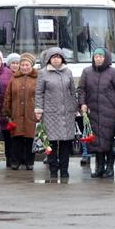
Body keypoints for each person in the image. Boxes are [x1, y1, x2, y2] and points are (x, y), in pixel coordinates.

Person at [79, 47, 115, 178]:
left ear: (105, 58)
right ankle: (99, 167)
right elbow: (81, 90)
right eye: (96, 56)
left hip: (111, 112)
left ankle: (110, 167)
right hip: (93, 112)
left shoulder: (113, 72)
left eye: (100, 56)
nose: (98, 58)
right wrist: (82, 103)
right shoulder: (87, 72)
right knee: (96, 142)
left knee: (110, 141)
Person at [35, 47, 79, 179]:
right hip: (50, 113)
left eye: (58, 57)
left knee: (66, 143)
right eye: (53, 57)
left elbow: (73, 92)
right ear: (49, 59)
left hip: (66, 113)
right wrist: (38, 110)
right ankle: (53, 169)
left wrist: (75, 108)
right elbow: (39, 93)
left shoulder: (68, 72)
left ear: (62, 59)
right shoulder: (43, 73)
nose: (56, 59)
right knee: (51, 143)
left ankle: (64, 169)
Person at [3, 53, 38, 170]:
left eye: (27, 65)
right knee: (16, 138)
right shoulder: (14, 78)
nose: (24, 67)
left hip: (32, 113)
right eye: (22, 65)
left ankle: (29, 162)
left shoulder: (37, 78)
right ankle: (15, 161)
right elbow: (8, 95)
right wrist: (7, 111)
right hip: (16, 113)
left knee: (30, 138)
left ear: (31, 65)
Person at [0, 51, 15, 168]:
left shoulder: (9, 72)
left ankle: (9, 158)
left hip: (5, 109)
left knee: (8, 136)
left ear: (2, 61)